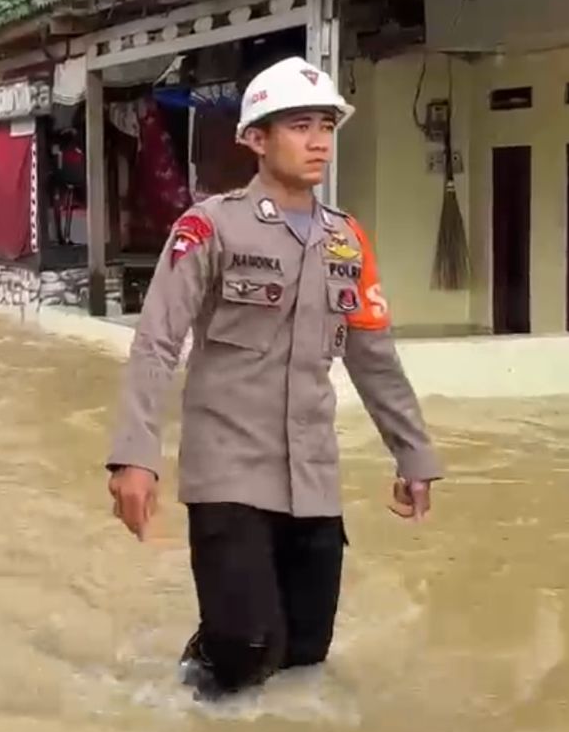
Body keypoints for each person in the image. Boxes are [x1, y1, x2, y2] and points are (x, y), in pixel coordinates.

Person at [105, 56, 443, 699]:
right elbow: (156, 343)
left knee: (305, 654)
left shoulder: (348, 242)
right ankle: (196, 694)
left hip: (313, 475)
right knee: (249, 644)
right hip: (228, 468)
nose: (318, 140)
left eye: (326, 125)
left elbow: (375, 358)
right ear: (256, 138)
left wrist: (414, 454)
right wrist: (135, 455)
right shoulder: (209, 227)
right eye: (298, 125)